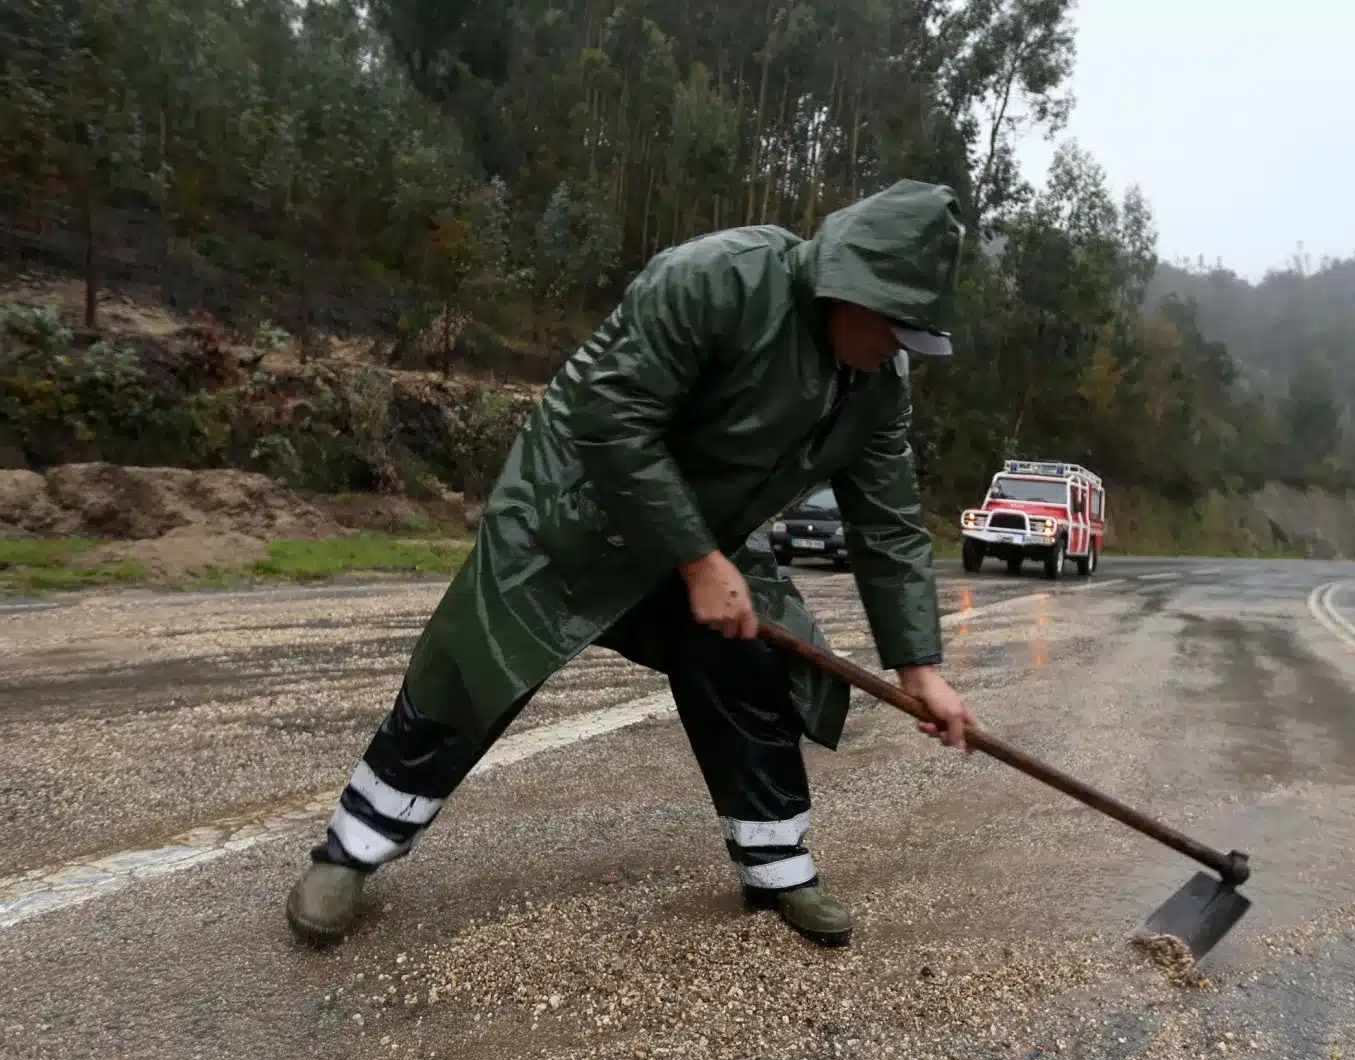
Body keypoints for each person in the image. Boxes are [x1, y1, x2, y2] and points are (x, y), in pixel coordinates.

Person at [285, 179, 977, 949]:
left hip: (701, 529)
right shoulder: (718, 279)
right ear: (851, 288)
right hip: (574, 503)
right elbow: (611, 415)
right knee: (479, 666)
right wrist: (699, 561)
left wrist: (919, 668)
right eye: (896, 330)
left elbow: (889, 526)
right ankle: (351, 848)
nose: (899, 352)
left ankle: (776, 863)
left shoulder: (878, 386)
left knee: (751, 664)